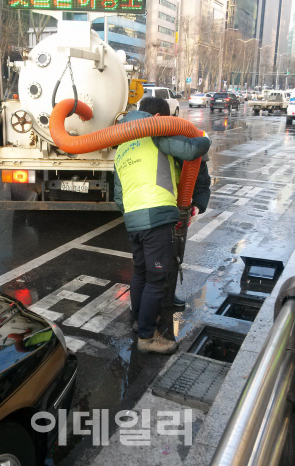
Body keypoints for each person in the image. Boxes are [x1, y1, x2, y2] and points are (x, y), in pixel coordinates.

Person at [114, 97, 211, 354]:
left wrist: (133, 215)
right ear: (159, 120)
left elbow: (117, 194)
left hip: (134, 221)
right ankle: (147, 337)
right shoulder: (156, 134)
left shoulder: (123, 146)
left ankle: (140, 321)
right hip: (158, 217)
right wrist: (205, 139)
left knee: (141, 273)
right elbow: (191, 150)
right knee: (157, 278)